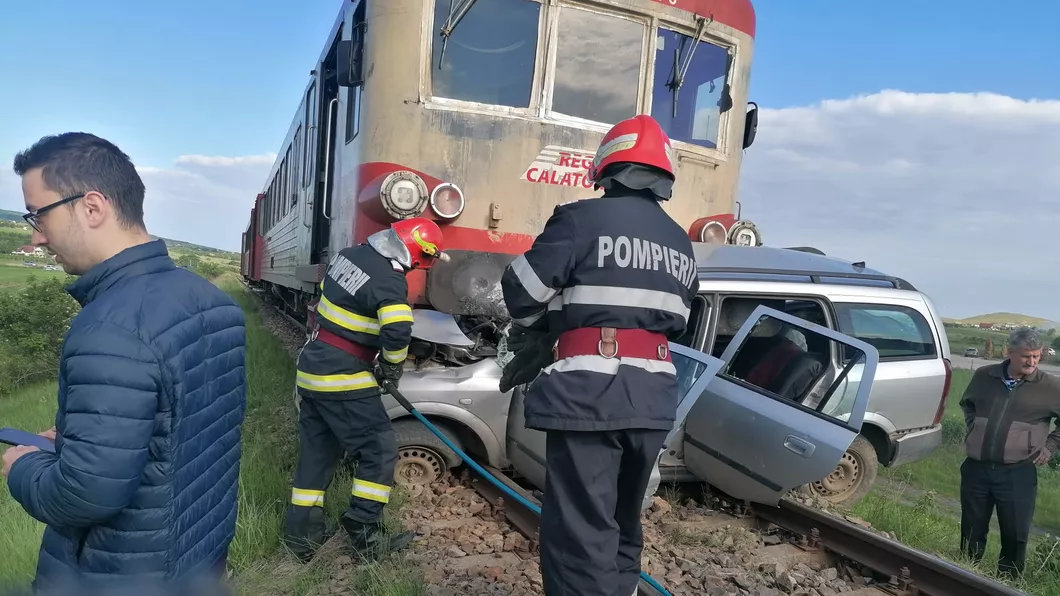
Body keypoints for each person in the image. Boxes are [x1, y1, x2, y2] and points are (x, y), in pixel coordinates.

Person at [0, 132, 247, 594]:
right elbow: (180, 435)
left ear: (92, 207)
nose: (35, 237)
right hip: (199, 556)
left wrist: (22, 469)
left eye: (39, 215)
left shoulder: (111, 328)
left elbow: (83, 495)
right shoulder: (212, 302)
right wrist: (81, 440)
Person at [499, 114, 697, 596]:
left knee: (579, 533)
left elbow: (520, 293)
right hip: (652, 398)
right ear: (663, 177)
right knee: (622, 523)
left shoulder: (578, 219)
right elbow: (676, 318)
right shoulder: (681, 244)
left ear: (606, 167)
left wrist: (546, 328)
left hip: (589, 393)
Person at [283, 217, 449, 562]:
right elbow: (399, 328)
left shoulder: (350, 255)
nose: (419, 265)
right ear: (414, 250)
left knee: (317, 455)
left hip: (313, 367)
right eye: (422, 259)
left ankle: (301, 538)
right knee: (379, 450)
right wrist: (391, 366)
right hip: (343, 377)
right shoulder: (390, 279)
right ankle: (364, 533)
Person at [959, 326, 1060, 578]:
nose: (1032, 361)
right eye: (1026, 355)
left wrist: (1051, 445)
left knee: (1015, 535)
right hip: (977, 469)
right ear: (1009, 352)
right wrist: (975, 427)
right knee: (971, 530)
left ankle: (1007, 584)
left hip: (1018, 473)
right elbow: (967, 404)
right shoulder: (985, 375)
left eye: (1037, 356)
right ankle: (962, 577)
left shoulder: (1050, 386)